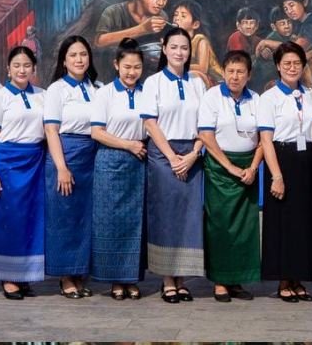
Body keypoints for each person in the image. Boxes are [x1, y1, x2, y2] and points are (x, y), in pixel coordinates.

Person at [141, 27, 207, 303]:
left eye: (184, 48)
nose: (180, 52)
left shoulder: (198, 83)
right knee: (165, 216)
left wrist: (194, 154)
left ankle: (182, 278)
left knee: (189, 217)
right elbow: (150, 122)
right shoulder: (153, 82)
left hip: (192, 155)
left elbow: (206, 124)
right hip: (163, 155)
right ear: (164, 48)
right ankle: (168, 279)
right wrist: (171, 156)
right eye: (174, 47)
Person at [257, 42, 312, 303]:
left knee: (304, 221)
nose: (292, 68)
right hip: (281, 159)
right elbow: (266, 139)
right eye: (287, 64)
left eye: (297, 63)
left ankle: (299, 277)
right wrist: (276, 176)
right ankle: (283, 279)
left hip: (308, 158)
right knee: (282, 221)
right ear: (278, 66)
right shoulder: (269, 98)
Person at [197, 50, 263, 302]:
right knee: (221, 225)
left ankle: (238, 279)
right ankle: (220, 281)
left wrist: (253, 168)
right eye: (231, 71)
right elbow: (206, 135)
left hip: (248, 168)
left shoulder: (256, 99)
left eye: (240, 72)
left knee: (245, 227)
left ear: (249, 75)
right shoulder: (212, 97)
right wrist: (229, 167)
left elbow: (263, 138)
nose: (235, 77)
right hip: (220, 168)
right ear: (223, 73)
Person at [43, 36, 101, 299]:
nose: (79, 59)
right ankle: (65, 275)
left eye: (83, 54)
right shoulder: (57, 89)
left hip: (93, 157)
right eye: (73, 55)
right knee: (63, 216)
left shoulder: (97, 88)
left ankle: (80, 273)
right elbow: (51, 130)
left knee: (85, 218)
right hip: (66, 155)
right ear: (64, 61)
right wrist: (61, 167)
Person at [0, 45, 45, 300]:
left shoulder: (42, 95)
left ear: (34, 69)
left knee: (32, 220)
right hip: (8, 163)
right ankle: (8, 278)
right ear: (8, 69)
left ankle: (26, 275)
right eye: (17, 65)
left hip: (35, 163)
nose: (22, 70)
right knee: (9, 219)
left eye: (27, 65)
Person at [91, 39, 149, 300]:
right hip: (110, 160)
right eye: (127, 67)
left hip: (139, 161)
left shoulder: (146, 93)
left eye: (136, 67)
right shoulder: (104, 94)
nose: (131, 72)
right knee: (111, 222)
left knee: (134, 222)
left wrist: (136, 147)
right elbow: (97, 132)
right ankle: (115, 279)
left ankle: (131, 278)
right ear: (116, 65)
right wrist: (127, 145)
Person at [94, 0, 173, 80]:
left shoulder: (161, 15)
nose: (161, 3)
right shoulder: (114, 12)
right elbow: (99, 42)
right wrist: (142, 29)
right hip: (115, 75)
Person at [172, 0, 223, 85]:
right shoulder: (177, 41)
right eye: (176, 14)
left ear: (195, 24)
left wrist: (177, 66)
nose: (177, 18)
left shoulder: (200, 40)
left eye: (183, 16)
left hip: (215, 81)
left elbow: (203, 68)